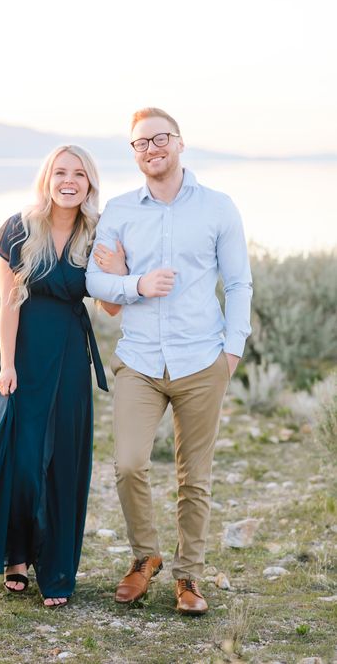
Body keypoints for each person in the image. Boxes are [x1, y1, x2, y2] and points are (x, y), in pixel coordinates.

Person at [0, 145, 124, 607]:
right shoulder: (19, 228)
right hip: (20, 351)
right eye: (60, 172)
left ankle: (57, 569)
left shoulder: (98, 233)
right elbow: (9, 302)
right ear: (47, 178)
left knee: (64, 461)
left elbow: (112, 306)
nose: (69, 181)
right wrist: (9, 365)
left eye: (79, 174)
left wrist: (118, 269)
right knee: (19, 456)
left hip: (70, 355)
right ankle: (15, 555)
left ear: (90, 183)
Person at [86, 108, 252, 615]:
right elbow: (95, 284)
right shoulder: (118, 210)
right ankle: (144, 558)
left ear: (179, 143)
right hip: (138, 360)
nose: (152, 148)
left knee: (193, 478)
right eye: (141, 143)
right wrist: (135, 283)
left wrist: (232, 350)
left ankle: (189, 579)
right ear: (134, 153)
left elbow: (239, 282)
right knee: (129, 464)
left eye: (160, 138)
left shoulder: (218, 207)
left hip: (203, 360)